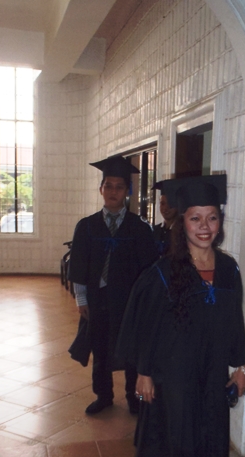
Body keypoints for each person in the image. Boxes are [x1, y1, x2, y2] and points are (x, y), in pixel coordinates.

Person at [117, 174, 245, 457]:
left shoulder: (229, 270)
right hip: (171, 370)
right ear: (182, 223)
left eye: (212, 217)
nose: (205, 227)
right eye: (195, 218)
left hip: (210, 373)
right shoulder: (164, 272)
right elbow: (145, 324)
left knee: (185, 433)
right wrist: (144, 371)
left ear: (220, 222)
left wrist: (241, 366)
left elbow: (234, 322)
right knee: (183, 436)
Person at [69, 155, 158, 415]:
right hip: (97, 299)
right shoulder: (86, 227)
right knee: (99, 348)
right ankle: (104, 395)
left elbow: (148, 271)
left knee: (131, 350)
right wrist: (81, 299)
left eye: (119, 187)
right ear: (101, 189)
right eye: (108, 186)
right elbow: (79, 265)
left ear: (127, 191)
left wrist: (144, 304)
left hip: (128, 301)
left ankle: (133, 397)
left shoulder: (140, 229)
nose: (113, 192)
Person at [152, 181, 178, 256]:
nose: (166, 208)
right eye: (162, 203)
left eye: (170, 204)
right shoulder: (154, 231)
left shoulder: (182, 232)